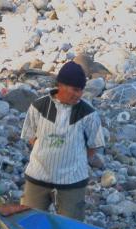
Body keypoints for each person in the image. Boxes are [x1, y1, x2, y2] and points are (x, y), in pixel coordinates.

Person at [20, 61, 105, 220]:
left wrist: (73, 160)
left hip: (72, 183)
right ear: (60, 85)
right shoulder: (38, 107)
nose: (78, 94)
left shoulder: (89, 114)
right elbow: (31, 137)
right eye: (74, 89)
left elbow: (93, 146)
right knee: (29, 222)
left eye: (81, 90)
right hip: (37, 178)